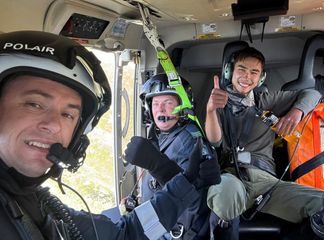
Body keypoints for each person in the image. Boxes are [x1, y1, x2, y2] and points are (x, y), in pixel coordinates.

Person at [0, 30, 220, 240]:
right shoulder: (157, 137)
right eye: (34, 104)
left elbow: (126, 235)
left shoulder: (35, 201)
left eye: (68, 114)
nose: (53, 125)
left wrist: (177, 178)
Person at [205, 46, 324, 239]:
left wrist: (296, 112)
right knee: (226, 194)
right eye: (242, 69)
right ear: (229, 72)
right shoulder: (218, 101)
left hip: (268, 184)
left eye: (254, 72)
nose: (247, 76)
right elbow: (215, 141)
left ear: (261, 78)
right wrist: (210, 110)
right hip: (233, 177)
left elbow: (313, 93)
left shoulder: (267, 100)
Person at [124, 73, 219, 240]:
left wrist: (156, 164)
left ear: (182, 107)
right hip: (158, 222)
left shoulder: (189, 140)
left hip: (176, 232)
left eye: (168, 103)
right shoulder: (161, 135)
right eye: (155, 104)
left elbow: (194, 201)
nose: (160, 110)